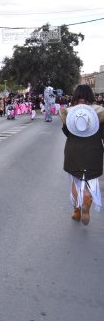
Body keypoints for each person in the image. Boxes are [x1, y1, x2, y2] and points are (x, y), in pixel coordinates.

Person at [60, 85, 104, 225]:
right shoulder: (100, 113)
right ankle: (87, 201)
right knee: (91, 181)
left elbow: (67, 132)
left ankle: (77, 210)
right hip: (93, 152)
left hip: (74, 151)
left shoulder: (69, 113)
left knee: (76, 180)